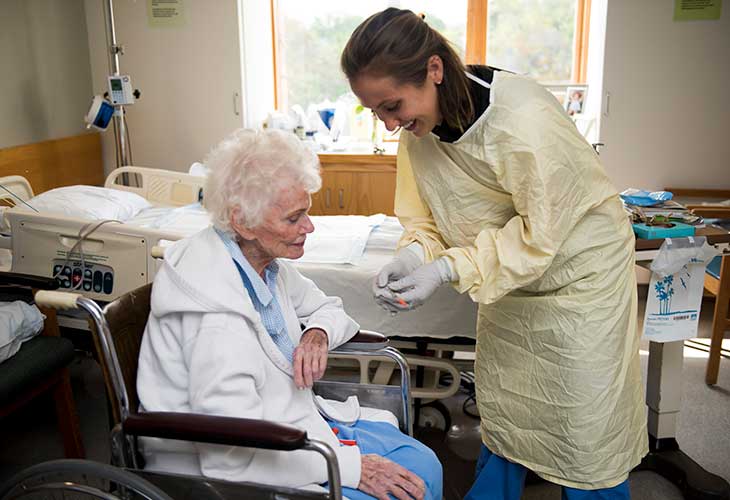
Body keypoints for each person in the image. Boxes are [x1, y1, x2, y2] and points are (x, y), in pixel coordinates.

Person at [341, 8, 647, 499]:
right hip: (510, 281)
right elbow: (428, 219)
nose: (390, 124)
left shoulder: (523, 119)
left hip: (579, 282)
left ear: (434, 70)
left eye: (392, 106)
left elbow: (540, 233)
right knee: (508, 412)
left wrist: (449, 266)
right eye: (377, 112)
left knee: (586, 428)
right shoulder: (418, 131)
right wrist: (415, 255)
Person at [136, 128, 442, 500]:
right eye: (294, 218)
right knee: (411, 490)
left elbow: (329, 307)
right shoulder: (216, 323)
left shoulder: (260, 266)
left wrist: (317, 334)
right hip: (241, 468)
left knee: (425, 464)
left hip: (294, 426)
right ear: (242, 221)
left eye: (307, 213)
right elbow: (230, 460)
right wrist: (354, 467)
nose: (309, 227)